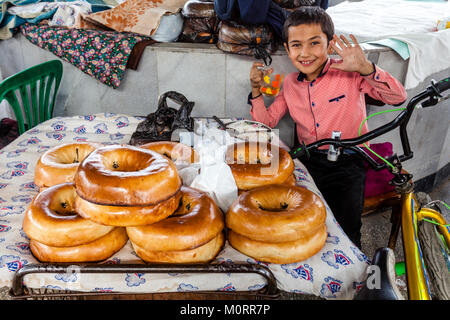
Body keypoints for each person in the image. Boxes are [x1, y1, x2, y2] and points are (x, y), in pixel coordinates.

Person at [247, 7, 407, 248]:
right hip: (308, 160)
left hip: (349, 161)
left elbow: (397, 97)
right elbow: (266, 123)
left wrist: (366, 68)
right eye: (297, 45)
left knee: (346, 227)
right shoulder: (290, 84)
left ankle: (352, 275)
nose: (305, 53)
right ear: (288, 48)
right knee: (302, 220)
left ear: (329, 45)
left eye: (314, 43)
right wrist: (256, 90)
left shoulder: (349, 74)